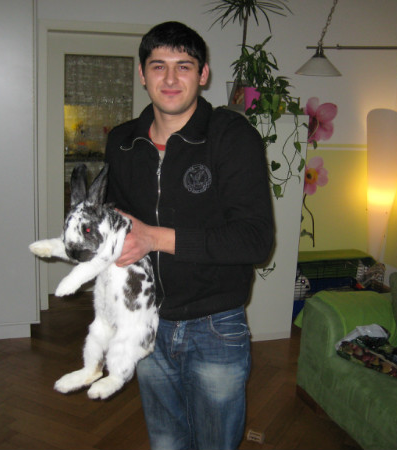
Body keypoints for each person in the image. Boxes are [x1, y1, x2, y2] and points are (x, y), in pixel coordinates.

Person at [104, 21, 274, 450]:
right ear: (142, 74)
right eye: (158, 66)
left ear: (203, 74)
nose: (170, 78)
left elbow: (255, 240)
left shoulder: (232, 137)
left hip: (215, 324)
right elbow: (116, 222)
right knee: (165, 441)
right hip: (146, 320)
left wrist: (154, 238)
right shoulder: (122, 142)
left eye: (183, 66)